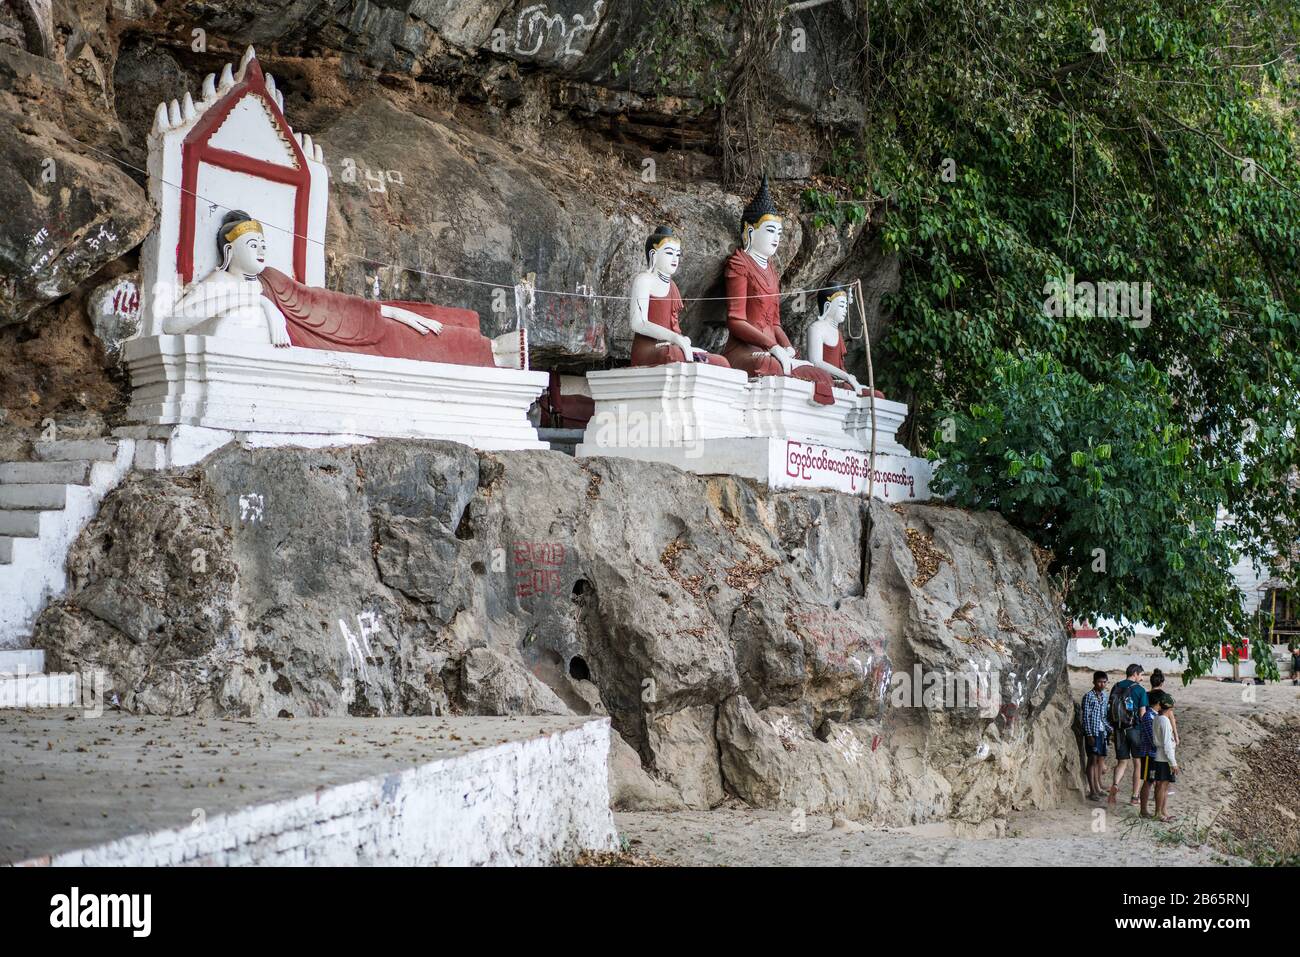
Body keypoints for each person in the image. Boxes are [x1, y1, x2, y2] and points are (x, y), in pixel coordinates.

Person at [1107, 663, 1149, 806]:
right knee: (1137, 763)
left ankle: (1115, 784)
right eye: (1141, 675)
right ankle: (1135, 797)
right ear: (1135, 674)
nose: (1142, 678)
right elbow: (1143, 714)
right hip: (1135, 729)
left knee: (1122, 762)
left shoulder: (1116, 686)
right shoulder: (1140, 690)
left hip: (1119, 729)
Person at [1145, 695, 1179, 822]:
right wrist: (1173, 762)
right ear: (1169, 708)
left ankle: (1161, 811)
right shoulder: (1164, 721)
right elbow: (1167, 744)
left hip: (1160, 756)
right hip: (1164, 758)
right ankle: (1158, 812)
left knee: (1162, 785)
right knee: (1161, 786)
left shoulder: (1157, 718)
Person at [1081, 670, 1110, 801]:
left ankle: (1098, 788)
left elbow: (1103, 717)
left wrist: (1110, 730)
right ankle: (1092, 790)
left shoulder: (1104, 696)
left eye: (1104, 682)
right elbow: (1086, 717)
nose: (1102, 684)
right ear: (1094, 682)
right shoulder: (1089, 697)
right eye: (1099, 682)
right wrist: (1089, 735)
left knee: (1099, 760)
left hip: (1101, 732)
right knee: (1092, 760)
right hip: (1092, 732)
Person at [1136, 689, 1165, 818]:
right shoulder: (1149, 717)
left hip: (1155, 754)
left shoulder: (1156, 716)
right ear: (1158, 702)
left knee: (1153, 781)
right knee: (1148, 781)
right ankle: (1143, 810)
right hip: (1149, 754)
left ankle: (1153, 810)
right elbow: (1152, 738)